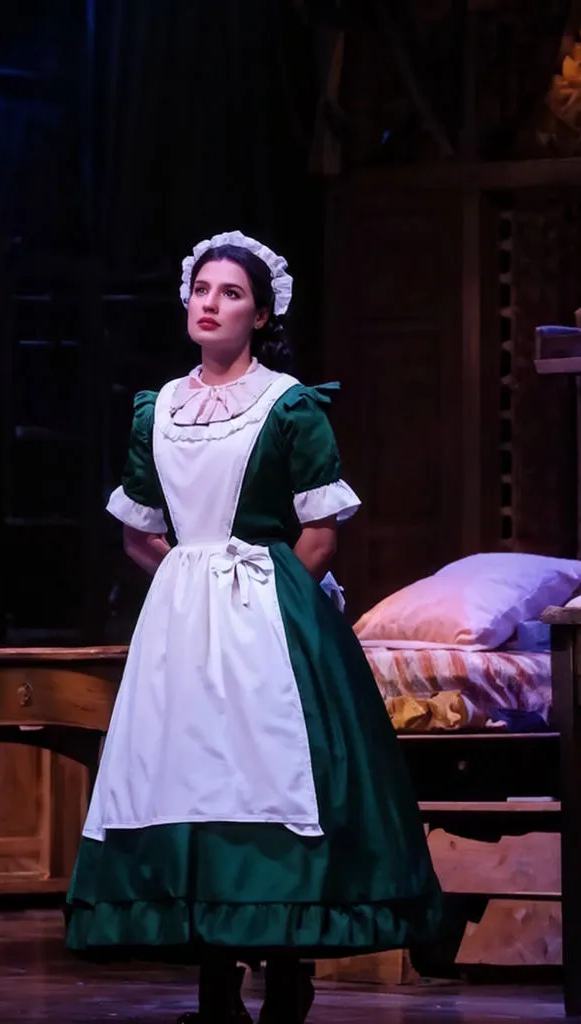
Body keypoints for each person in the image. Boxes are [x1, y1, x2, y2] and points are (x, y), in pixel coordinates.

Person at [65, 230, 445, 1023]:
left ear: (262, 313)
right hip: (184, 616)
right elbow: (139, 530)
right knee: (182, 779)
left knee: (270, 780)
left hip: (268, 614)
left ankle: (285, 967)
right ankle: (212, 984)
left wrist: (259, 598)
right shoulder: (156, 409)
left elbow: (319, 532)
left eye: (230, 293)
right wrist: (188, 583)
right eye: (202, 290)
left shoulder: (290, 405)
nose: (211, 303)